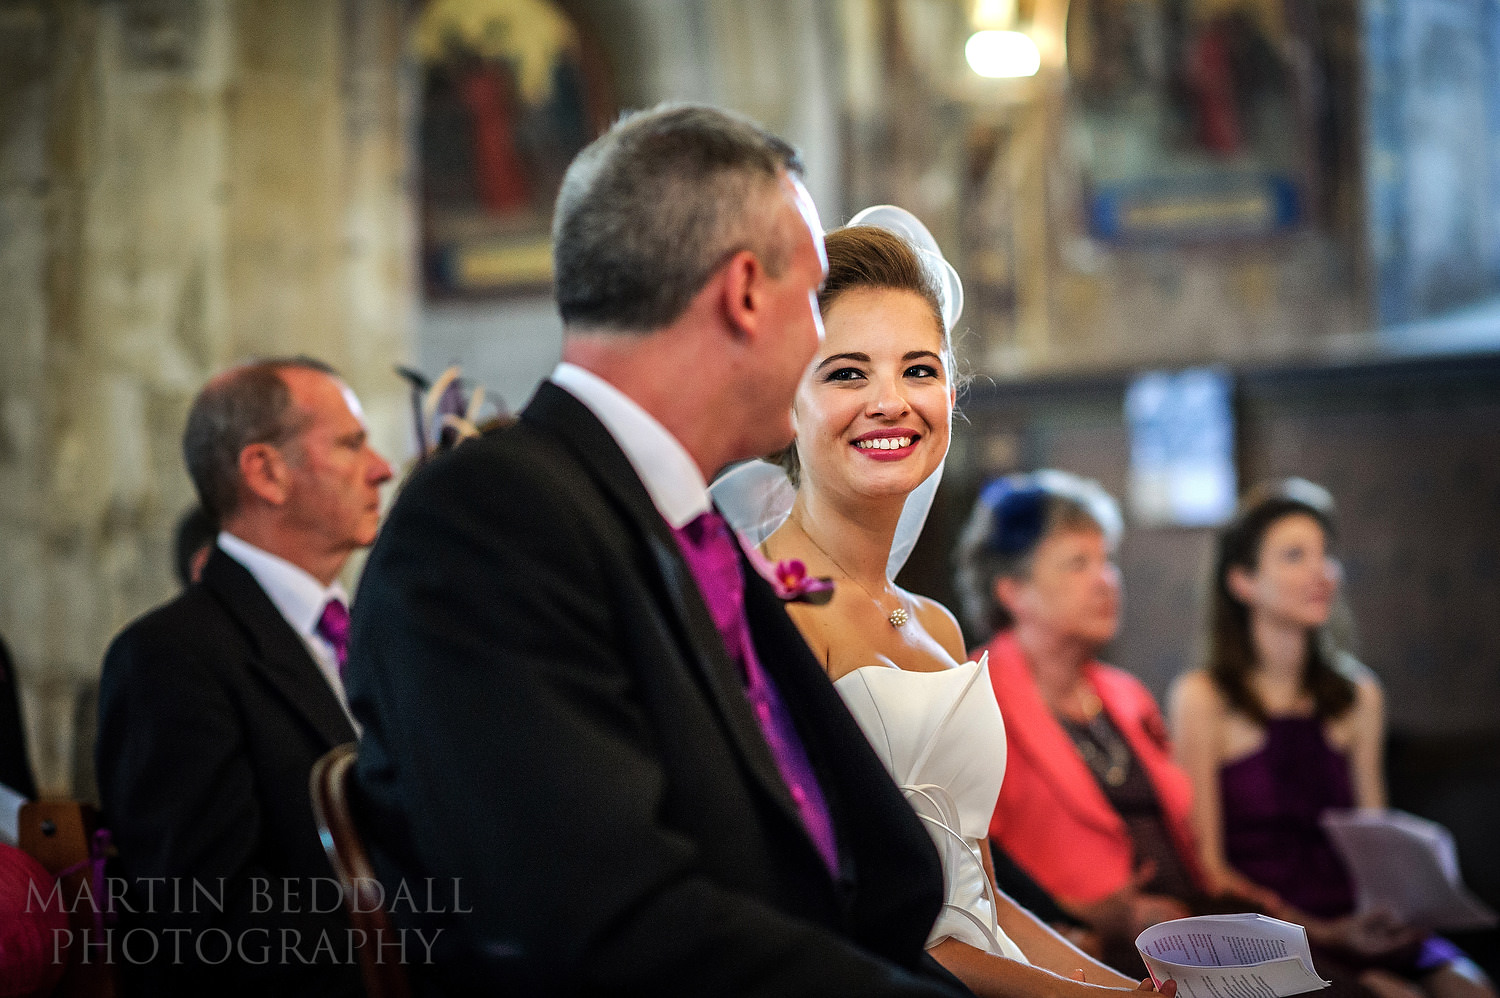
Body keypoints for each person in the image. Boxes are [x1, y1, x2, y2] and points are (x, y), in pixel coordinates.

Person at [345, 105, 973, 995]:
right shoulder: (491, 524)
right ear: (745, 294)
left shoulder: (679, 526)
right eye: (814, 296)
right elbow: (607, 924)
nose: (818, 339)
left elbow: (850, 875)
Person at [728, 212, 1170, 998]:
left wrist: (1120, 988)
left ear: (951, 393)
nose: (891, 402)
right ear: (788, 398)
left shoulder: (934, 625)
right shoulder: (774, 612)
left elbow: (979, 900)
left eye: (919, 370)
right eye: (848, 373)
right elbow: (872, 920)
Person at [96, 357, 393, 998]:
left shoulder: (378, 636)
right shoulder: (171, 658)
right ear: (265, 472)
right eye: (351, 443)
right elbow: (210, 926)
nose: (383, 469)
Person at [1171, 479, 1495, 998]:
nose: (1322, 573)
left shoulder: (1359, 693)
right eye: (1295, 556)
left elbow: (1378, 843)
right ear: (1243, 581)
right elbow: (1210, 871)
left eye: (1325, 555)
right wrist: (1323, 933)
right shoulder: (1202, 696)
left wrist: (1391, 910)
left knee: (1470, 987)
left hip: (1358, 919)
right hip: (1269, 930)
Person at [956, 473, 1214, 969]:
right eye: (1079, 563)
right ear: (1013, 591)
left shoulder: (1125, 694)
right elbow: (971, 874)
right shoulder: (975, 698)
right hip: (1078, 954)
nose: (1106, 579)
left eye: (1106, 560)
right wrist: (1103, 916)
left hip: (1192, 932)